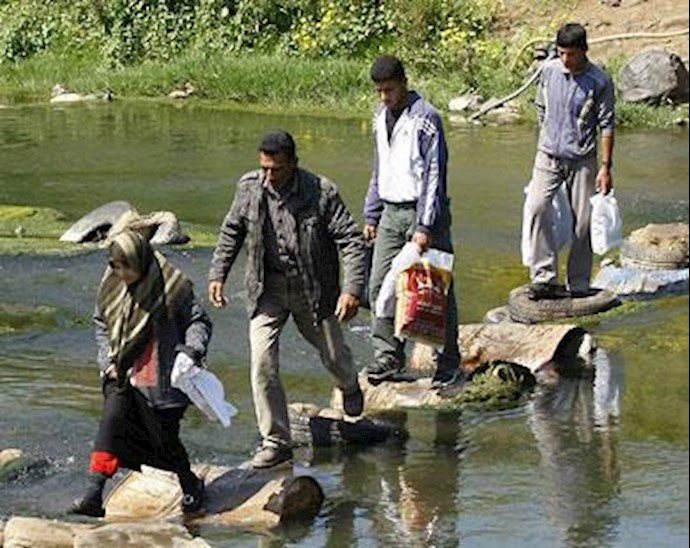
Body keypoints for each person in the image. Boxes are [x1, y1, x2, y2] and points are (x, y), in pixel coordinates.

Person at [208, 130, 367, 469]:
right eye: (264, 167)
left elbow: (351, 241)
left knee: (334, 356)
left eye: (276, 169)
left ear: (293, 164)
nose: (269, 176)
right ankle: (276, 440)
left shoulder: (321, 192)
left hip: (313, 291)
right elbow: (231, 230)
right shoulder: (249, 188)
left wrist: (352, 289)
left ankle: (350, 386)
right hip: (267, 289)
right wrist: (217, 274)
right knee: (262, 362)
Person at [70, 229, 212, 518]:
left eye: (127, 267)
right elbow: (101, 323)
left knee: (164, 442)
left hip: (164, 378)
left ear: (142, 261)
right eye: (116, 266)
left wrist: (190, 351)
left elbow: (199, 321)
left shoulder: (173, 287)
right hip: (121, 372)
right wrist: (107, 358)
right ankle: (93, 493)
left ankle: (190, 483)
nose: (121, 273)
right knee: (111, 423)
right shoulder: (112, 282)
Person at [362, 55, 462, 388]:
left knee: (435, 289)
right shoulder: (379, 117)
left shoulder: (426, 119)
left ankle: (448, 362)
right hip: (390, 212)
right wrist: (372, 213)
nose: (384, 97)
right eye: (379, 91)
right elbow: (380, 168)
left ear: (404, 83)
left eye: (389, 90)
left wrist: (424, 227)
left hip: (424, 213)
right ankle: (389, 356)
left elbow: (435, 176)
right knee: (379, 285)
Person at [524, 22, 615, 300]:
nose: (566, 60)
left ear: (584, 51)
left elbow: (607, 125)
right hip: (548, 154)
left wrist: (606, 168)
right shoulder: (549, 71)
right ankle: (544, 277)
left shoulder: (599, 81)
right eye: (561, 53)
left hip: (582, 159)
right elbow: (541, 106)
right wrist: (548, 133)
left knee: (583, 222)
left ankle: (578, 282)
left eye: (571, 54)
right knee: (537, 206)